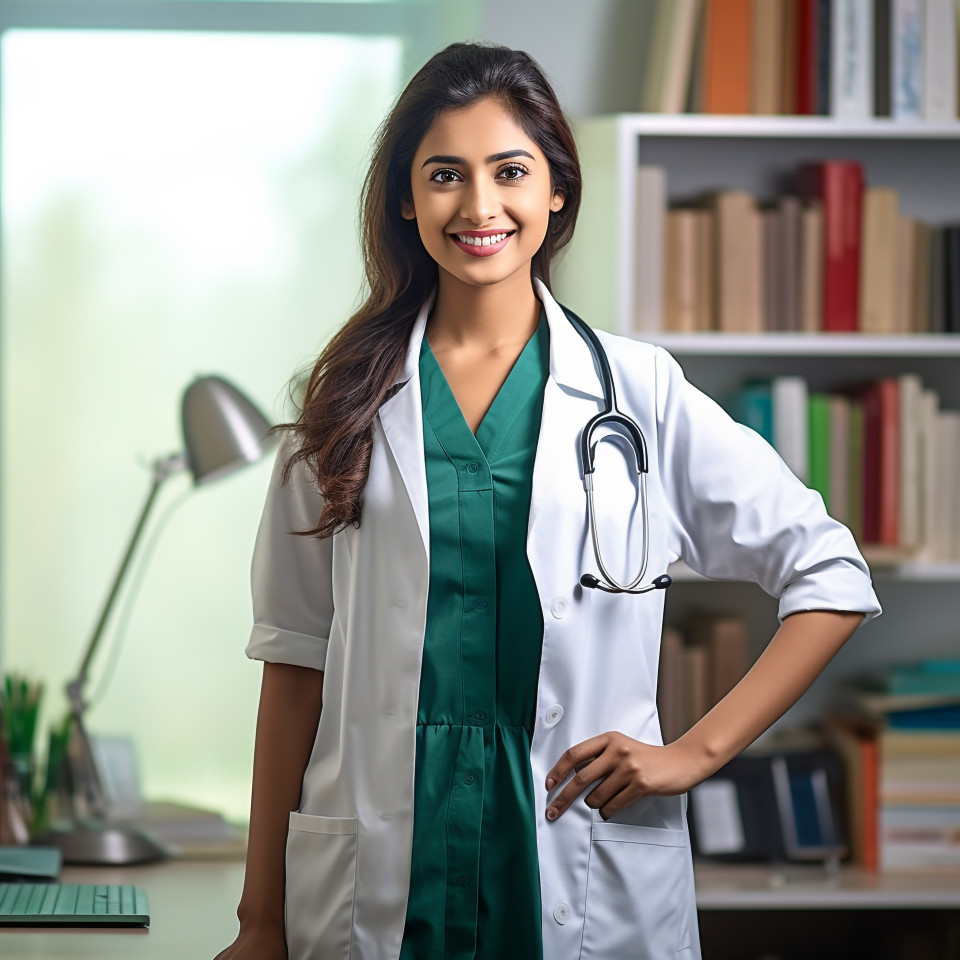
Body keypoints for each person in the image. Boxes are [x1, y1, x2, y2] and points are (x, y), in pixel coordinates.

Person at [213, 41, 881, 960]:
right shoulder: (339, 412)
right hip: (383, 872)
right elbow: (293, 672)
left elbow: (830, 572)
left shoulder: (639, 395)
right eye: (445, 174)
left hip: (576, 866)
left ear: (556, 189)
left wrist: (696, 753)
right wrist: (260, 922)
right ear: (406, 201)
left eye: (510, 171)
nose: (479, 206)